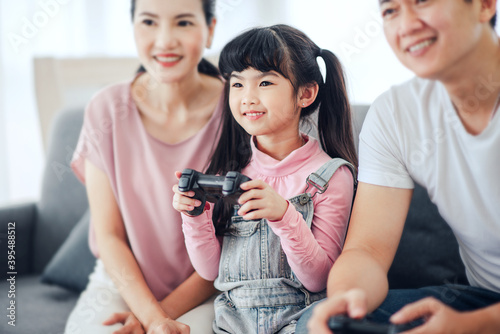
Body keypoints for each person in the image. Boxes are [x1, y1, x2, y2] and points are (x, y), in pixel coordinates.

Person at [300, 0, 500, 333]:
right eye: (391, 10)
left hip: (482, 317)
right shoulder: (396, 113)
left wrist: (474, 326)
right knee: (320, 322)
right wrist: (348, 303)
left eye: (422, 1)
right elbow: (368, 248)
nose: (406, 26)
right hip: (480, 297)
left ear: (484, 5)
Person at [172, 24, 358, 333]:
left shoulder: (330, 176)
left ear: (306, 94)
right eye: (238, 84)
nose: (247, 97)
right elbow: (209, 271)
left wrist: (285, 216)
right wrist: (194, 216)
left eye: (265, 82)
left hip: (299, 320)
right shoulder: (230, 172)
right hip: (231, 321)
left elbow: (319, 279)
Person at [65, 0, 224, 333]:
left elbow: (236, 247)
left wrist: (155, 318)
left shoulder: (240, 109)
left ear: (210, 29)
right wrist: (151, 317)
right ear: (134, 28)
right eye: (149, 22)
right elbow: (109, 236)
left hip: (210, 287)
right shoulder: (106, 110)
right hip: (122, 284)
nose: (165, 40)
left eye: (183, 23)